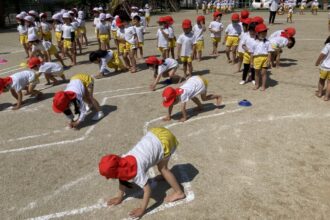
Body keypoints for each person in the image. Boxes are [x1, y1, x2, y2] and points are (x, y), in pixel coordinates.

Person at [99, 127, 185, 218]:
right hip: (156, 134)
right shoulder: (124, 159)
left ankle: (179, 193)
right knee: (161, 166)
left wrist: (142, 209)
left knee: (163, 169)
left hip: (164, 141)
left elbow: (147, 190)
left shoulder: (137, 173)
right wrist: (119, 197)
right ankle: (165, 177)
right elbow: (122, 177)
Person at [250, 23, 274, 91]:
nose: (264, 34)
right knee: (257, 73)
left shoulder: (267, 42)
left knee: (263, 73)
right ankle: (257, 85)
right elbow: (251, 53)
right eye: (262, 33)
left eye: (265, 33)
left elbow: (269, 51)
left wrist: (269, 59)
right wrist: (251, 62)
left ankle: (263, 86)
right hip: (256, 59)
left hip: (265, 58)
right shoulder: (253, 42)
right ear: (257, 33)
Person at [315, 36, 330, 101]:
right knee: (329, 83)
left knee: (321, 80)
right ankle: (326, 97)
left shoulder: (328, 45)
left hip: (324, 67)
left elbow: (322, 55)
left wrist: (317, 62)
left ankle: (320, 93)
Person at [241, 21, 256, 85]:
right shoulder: (246, 36)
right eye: (250, 30)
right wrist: (247, 50)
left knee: (253, 68)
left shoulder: (257, 36)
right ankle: (243, 79)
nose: (252, 32)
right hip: (247, 54)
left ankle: (253, 79)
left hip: (255, 55)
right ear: (249, 30)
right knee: (246, 68)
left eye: (253, 31)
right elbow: (243, 45)